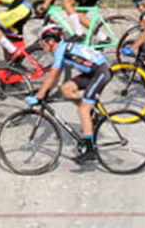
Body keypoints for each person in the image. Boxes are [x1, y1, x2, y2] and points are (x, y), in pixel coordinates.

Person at [28, 25, 111, 164]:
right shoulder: (62, 48)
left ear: (50, 42)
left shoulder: (61, 51)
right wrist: (46, 91)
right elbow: (55, 77)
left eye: (42, 44)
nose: (42, 47)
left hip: (100, 72)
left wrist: (39, 96)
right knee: (66, 88)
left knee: (83, 110)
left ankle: (90, 150)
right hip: (94, 71)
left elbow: (53, 74)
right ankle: (93, 113)